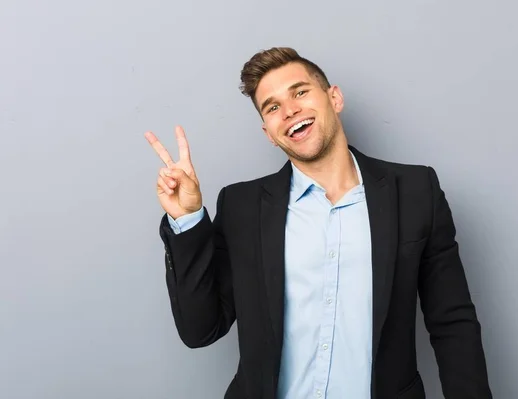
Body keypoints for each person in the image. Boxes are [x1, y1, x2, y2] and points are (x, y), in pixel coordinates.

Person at [145, 47, 492, 399]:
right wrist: (187, 218)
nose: (290, 110)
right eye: (273, 107)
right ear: (269, 132)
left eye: (300, 92)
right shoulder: (241, 207)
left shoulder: (416, 192)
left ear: (334, 98)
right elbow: (200, 329)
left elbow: (453, 323)